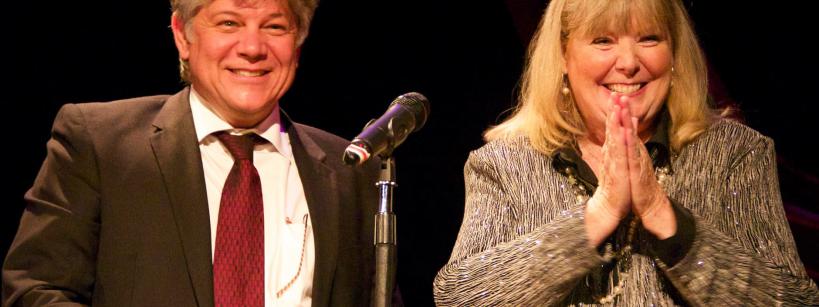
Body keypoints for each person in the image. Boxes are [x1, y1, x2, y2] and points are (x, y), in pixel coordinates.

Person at [434, 0, 819, 305]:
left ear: (674, 56)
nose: (629, 63)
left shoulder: (737, 154)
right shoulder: (504, 164)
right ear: (564, 57)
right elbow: (460, 297)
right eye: (603, 40)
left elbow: (792, 299)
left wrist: (661, 215)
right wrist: (596, 218)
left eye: (650, 38)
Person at [2, 0, 380, 306]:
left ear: (298, 42)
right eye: (229, 23)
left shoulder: (353, 171)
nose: (252, 48)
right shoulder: (100, 144)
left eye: (274, 26)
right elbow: (33, 291)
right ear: (183, 35)